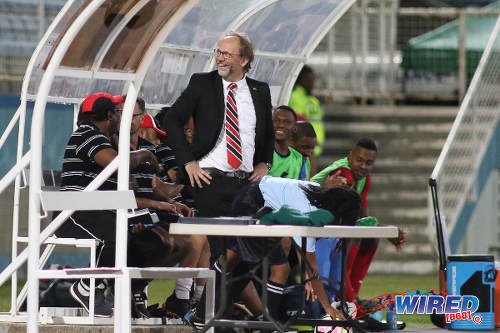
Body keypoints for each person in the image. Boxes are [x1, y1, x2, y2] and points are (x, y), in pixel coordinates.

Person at [164, 31, 274, 318]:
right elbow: (172, 120)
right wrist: (188, 162)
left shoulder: (260, 90)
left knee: (246, 253)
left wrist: (265, 163)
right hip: (210, 180)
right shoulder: (203, 83)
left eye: (227, 53)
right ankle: (208, 315)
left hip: (247, 184)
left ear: (244, 59)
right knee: (219, 252)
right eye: (219, 52)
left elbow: (267, 134)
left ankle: (208, 312)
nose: (220, 58)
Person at [56, 93, 191, 317]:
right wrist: (146, 154)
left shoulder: (105, 139)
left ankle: (125, 290)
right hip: (74, 212)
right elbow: (116, 164)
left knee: (156, 241)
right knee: (119, 232)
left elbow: (120, 193)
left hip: (99, 207)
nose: (124, 119)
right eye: (119, 114)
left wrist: (160, 204)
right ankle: (87, 287)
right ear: (110, 117)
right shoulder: (89, 134)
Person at [311, 138, 405, 318]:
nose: (363, 166)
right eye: (359, 160)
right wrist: (384, 229)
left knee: (369, 237)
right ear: (350, 157)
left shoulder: (363, 180)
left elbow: (362, 219)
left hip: (328, 225)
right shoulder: (343, 174)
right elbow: (346, 220)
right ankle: (347, 299)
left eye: (368, 163)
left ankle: (351, 294)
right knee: (352, 236)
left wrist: (385, 230)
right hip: (310, 224)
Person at [288, 65, 324, 176]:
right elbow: (297, 121)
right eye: (309, 80)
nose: (312, 83)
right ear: (301, 79)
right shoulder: (295, 97)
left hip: (313, 147)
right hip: (303, 146)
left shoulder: (312, 99)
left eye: (313, 80)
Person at [268, 105, 305, 180]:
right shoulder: (262, 153)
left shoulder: (299, 159)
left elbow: (302, 186)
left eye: (286, 122)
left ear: (294, 128)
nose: (281, 125)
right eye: (276, 121)